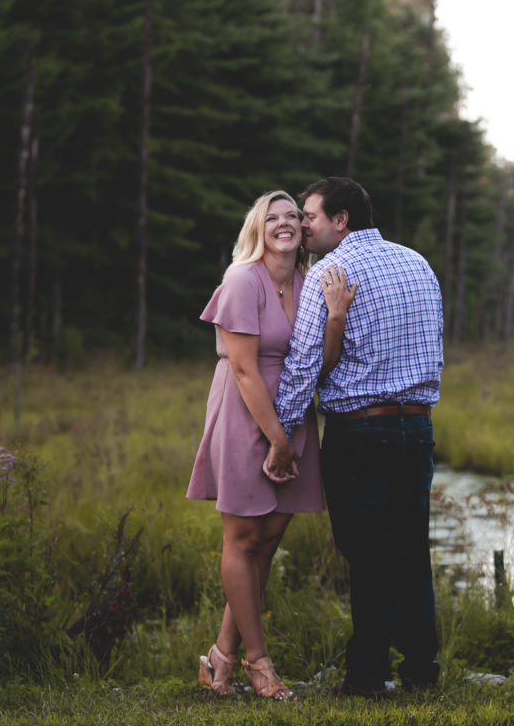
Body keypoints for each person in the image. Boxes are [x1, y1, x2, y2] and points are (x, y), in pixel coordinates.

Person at [272, 177, 444, 698]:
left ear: (341, 220)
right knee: (411, 549)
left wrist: (278, 433)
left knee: (366, 551)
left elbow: (302, 367)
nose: (303, 225)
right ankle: (420, 670)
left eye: (311, 216)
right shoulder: (418, 263)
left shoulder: (330, 272)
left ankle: (367, 675)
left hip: (359, 432)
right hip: (416, 426)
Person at [186, 190, 355, 700]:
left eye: (294, 217)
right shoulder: (242, 279)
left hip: (295, 410)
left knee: (269, 540)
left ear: (305, 231)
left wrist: (334, 318)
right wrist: (275, 438)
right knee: (242, 539)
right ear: (258, 227)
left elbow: (322, 366)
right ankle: (260, 665)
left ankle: (222, 655)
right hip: (246, 412)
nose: (285, 223)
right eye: (274, 217)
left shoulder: (309, 285)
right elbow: (241, 367)